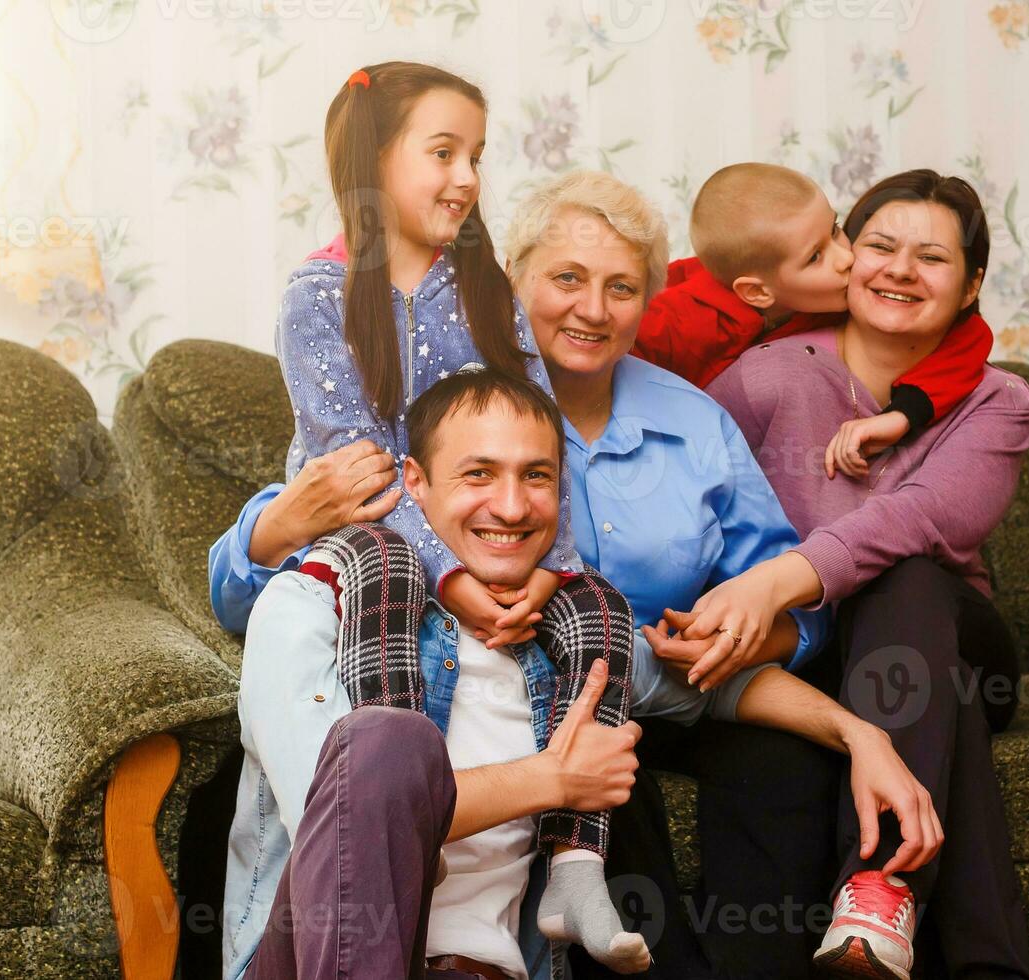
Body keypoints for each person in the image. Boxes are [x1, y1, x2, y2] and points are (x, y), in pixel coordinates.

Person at [214, 169, 945, 979]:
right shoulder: (347, 564)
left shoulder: (576, 620)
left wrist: (858, 730)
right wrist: (551, 777)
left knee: (691, 749)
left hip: (507, 937)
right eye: (478, 475)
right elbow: (344, 806)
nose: (510, 505)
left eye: (537, 476)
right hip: (331, 942)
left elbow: (705, 676)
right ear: (414, 481)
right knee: (392, 745)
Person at [264, 60, 641, 970]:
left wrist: (549, 568)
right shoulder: (317, 298)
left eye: (477, 155)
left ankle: (576, 859)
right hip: (373, 531)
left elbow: (540, 434)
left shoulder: (484, 291)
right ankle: (401, 796)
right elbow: (355, 468)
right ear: (372, 159)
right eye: (443, 152)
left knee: (601, 607)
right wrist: (456, 576)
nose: (468, 178)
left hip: (490, 528)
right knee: (387, 567)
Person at [692, 169, 1029, 980]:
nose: (899, 270)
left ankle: (877, 883)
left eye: (932, 258)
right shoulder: (768, 375)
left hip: (953, 635)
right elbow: (688, 483)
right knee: (929, 714)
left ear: (972, 285)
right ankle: (956, 956)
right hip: (821, 659)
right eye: (880, 246)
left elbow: (920, 519)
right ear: (845, 257)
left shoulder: (1001, 402)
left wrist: (779, 577)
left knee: (905, 575)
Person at [633, 162, 994, 483]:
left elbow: (969, 335)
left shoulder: (831, 297)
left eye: (836, 230)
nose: (845, 258)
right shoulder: (674, 322)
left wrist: (905, 412)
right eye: (816, 256)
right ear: (758, 292)